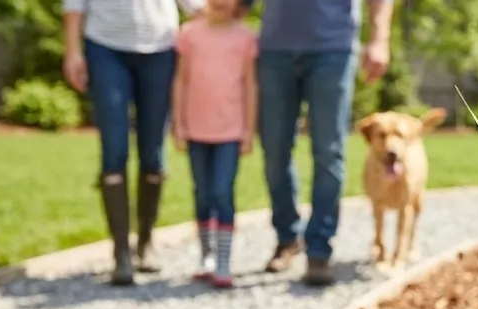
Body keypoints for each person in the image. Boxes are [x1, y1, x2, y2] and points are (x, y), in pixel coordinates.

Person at [62, 0, 204, 285]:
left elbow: (196, 6)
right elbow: (74, 5)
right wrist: (73, 50)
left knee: (153, 153)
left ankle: (146, 242)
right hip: (105, 47)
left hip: (160, 49)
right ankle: (121, 252)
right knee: (114, 149)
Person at [257, 0, 394, 286]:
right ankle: (287, 237)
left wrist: (380, 39)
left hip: (333, 48)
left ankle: (319, 248)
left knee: (329, 151)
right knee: (274, 149)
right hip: (275, 48)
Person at [171, 0, 258, 288]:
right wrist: (179, 123)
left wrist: (248, 129)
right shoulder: (189, 34)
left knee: (222, 192)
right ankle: (206, 256)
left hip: (230, 131)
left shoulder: (245, 37)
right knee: (202, 193)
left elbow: (249, 85)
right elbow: (181, 80)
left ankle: (223, 261)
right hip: (196, 129)